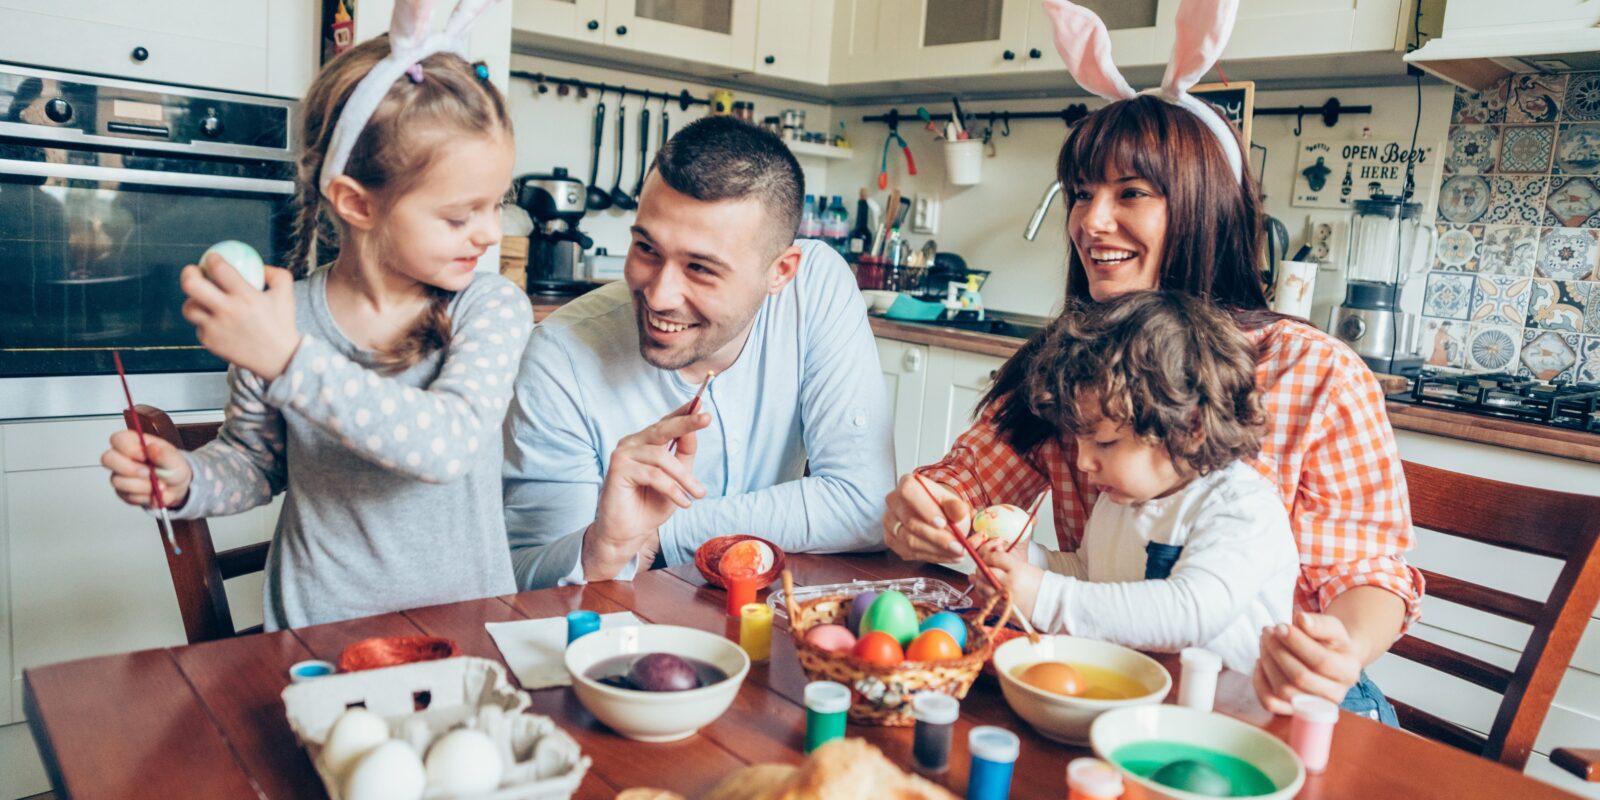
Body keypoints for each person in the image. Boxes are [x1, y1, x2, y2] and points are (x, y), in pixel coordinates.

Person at [884, 0, 1421, 725]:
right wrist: (934, 510)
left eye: (1130, 193)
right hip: (1112, 683)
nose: (1090, 221)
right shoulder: (1074, 360)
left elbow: (1367, 575)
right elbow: (970, 483)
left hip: (1274, 702)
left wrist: (1337, 650)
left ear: (1202, 207)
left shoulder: (1312, 370)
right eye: (1082, 193)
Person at [99, 3, 530, 630]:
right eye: (461, 215)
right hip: (313, 635)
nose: (489, 233)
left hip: (464, 629)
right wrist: (188, 477)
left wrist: (288, 361)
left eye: (498, 203)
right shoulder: (282, 318)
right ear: (356, 202)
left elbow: (448, 444)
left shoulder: (489, 306)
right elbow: (254, 463)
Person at [503, 116, 894, 589]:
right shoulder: (559, 358)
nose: (659, 294)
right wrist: (604, 546)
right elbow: (522, 580)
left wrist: (662, 534)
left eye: (700, 268)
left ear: (781, 272)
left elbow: (865, 504)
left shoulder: (815, 288)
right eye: (646, 247)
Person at [972, 291, 1297, 673]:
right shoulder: (1122, 498)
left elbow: (1189, 612)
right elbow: (1092, 574)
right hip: (1139, 693)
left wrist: (1044, 596)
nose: (1084, 461)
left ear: (1189, 427)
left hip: (1231, 713)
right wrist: (1031, 563)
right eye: (1078, 440)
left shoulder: (1241, 508)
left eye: (1105, 442)